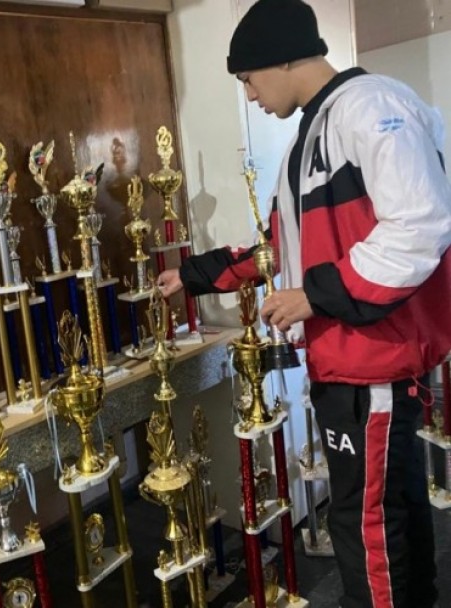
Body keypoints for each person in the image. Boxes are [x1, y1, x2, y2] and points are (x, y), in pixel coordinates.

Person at [157, 0, 451, 606]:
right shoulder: (308, 138)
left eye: (248, 79)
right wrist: (193, 276)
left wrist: (315, 298)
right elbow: (278, 250)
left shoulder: (371, 106)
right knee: (391, 510)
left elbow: (419, 227)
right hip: (348, 360)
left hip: (372, 359)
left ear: (282, 57)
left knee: (364, 523)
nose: (249, 96)